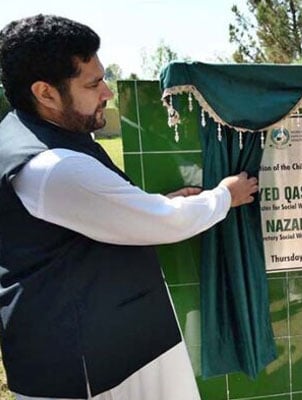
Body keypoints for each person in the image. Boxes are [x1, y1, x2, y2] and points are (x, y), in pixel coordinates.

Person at [0, 15, 258, 399]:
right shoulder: (54, 167)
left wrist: (145, 207)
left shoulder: (22, 133)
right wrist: (224, 195)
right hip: (87, 362)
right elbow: (166, 223)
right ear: (46, 93)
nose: (107, 92)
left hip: (90, 339)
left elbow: (88, 213)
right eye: (92, 83)